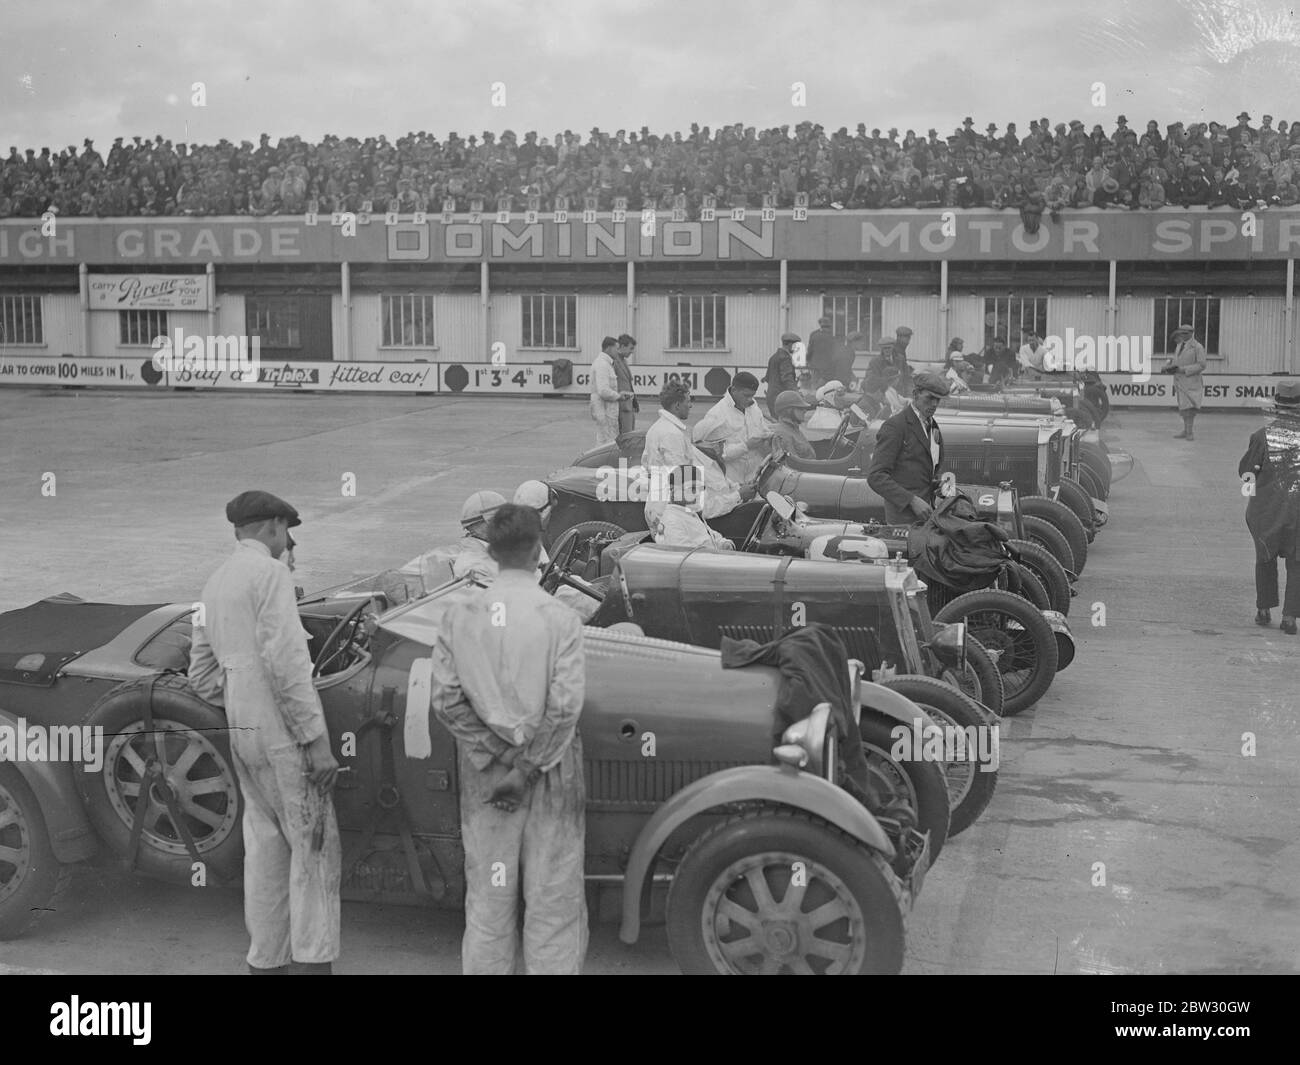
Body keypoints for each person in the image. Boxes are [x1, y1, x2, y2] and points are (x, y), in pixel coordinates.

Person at [429, 504, 588, 974]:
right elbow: (563, 709)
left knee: (488, 904)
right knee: (553, 903)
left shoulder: (458, 617)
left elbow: (447, 701)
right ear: (539, 548)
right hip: (550, 776)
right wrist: (527, 768)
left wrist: (498, 755)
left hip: (487, 780)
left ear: (492, 552)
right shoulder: (560, 618)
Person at [188, 490, 341, 975]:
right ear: (273, 526)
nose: (288, 542)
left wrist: (241, 693)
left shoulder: (214, 582)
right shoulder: (270, 574)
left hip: (242, 724)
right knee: (314, 846)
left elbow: (201, 674)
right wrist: (315, 741)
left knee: (266, 848)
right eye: (286, 531)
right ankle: (314, 962)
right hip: (282, 729)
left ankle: (266, 961)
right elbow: (288, 661)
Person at [1239, 381, 1300, 633]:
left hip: (1265, 511)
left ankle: (1263, 610)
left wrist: (1252, 495)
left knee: (1264, 559)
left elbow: (1245, 473)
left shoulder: (1261, 437)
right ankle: (1290, 618)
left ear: (1276, 408)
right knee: (1297, 563)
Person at [867, 373, 950, 525]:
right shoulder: (896, 426)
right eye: (929, 398)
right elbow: (876, 476)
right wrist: (911, 500)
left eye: (937, 400)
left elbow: (920, 472)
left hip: (927, 518)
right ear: (915, 394)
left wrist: (940, 485)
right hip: (902, 521)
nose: (934, 404)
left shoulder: (933, 427)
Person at [692, 371, 773, 483]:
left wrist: (769, 438)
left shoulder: (754, 407)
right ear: (734, 390)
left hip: (755, 479)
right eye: (746, 395)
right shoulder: (716, 415)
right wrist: (746, 446)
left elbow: (763, 430)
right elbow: (716, 455)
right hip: (731, 482)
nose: (750, 399)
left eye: (752, 395)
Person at [651, 465, 737, 550]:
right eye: (691, 488)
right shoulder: (672, 521)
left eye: (700, 488)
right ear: (673, 490)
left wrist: (724, 544)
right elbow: (687, 557)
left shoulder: (689, 512)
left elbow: (710, 536)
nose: (697, 493)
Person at [1166, 322, 1206, 440]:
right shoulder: (1179, 346)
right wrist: (1169, 366)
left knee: (1190, 408)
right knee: (1183, 407)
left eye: (1185, 333)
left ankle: (1190, 432)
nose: (1182, 335)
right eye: (1181, 332)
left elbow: (1202, 365)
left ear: (1191, 333)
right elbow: (1176, 361)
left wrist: (1183, 370)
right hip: (1180, 381)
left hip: (1191, 381)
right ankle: (1185, 430)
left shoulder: (1198, 347)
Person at [589, 336, 630, 446]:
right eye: (616, 348)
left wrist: (618, 395)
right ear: (608, 348)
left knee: (607, 442)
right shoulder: (602, 365)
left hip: (607, 412)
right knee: (607, 444)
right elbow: (603, 391)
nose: (618, 351)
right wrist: (619, 396)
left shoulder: (606, 364)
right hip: (605, 412)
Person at [770, 389, 817, 459]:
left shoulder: (793, 429)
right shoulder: (782, 434)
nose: (805, 411)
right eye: (800, 408)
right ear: (788, 410)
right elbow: (792, 463)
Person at [765, 333, 800, 416]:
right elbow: (787, 379)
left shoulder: (774, 357)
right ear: (790, 344)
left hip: (771, 398)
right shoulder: (785, 358)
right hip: (781, 400)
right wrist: (797, 393)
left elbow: (767, 377)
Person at [614, 333, 639, 436]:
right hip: (621, 405)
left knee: (629, 434)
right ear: (623, 346)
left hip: (628, 405)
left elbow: (628, 383)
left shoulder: (623, 361)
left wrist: (635, 402)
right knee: (625, 437)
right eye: (630, 348)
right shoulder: (614, 361)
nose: (632, 352)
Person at [806, 316, 837, 385]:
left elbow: (810, 350)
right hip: (827, 367)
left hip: (815, 365)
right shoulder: (831, 337)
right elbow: (834, 353)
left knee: (815, 384)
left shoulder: (814, 335)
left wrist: (807, 360)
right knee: (824, 386)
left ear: (820, 325)